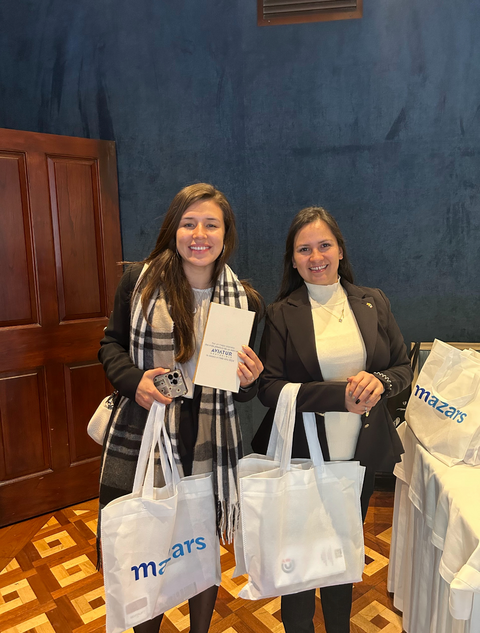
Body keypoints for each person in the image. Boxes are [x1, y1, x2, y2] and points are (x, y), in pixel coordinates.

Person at [98, 183, 264, 633]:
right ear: (173, 229)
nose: (199, 234)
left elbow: (243, 390)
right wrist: (134, 381)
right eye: (189, 223)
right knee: (148, 546)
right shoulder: (139, 283)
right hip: (147, 432)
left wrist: (250, 380)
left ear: (226, 234)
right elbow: (110, 345)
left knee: (199, 543)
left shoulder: (245, 300)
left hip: (209, 439)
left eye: (211, 224)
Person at [251, 206, 413, 633]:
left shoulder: (373, 301)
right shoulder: (281, 313)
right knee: (299, 563)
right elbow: (268, 387)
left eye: (324, 245)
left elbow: (402, 368)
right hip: (302, 457)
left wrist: (379, 382)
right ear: (292, 259)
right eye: (304, 249)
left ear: (340, 250)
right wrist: (338, 396)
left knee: (342, 556)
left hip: (358, 458)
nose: (316, 256)